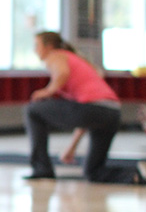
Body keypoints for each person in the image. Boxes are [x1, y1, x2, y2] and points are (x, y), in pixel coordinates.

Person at [24, 31, 146, 184]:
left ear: (48, 47)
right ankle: (137, 175)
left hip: (94, 109)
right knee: (93, 171)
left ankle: (42, 170)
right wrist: (72, 147)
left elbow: (63, 73)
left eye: (36, 45)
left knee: (33, 110)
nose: (35, 50)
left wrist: (47, 91)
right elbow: (86, 114)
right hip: (112, 113)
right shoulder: (75, 59)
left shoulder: (55, 56)